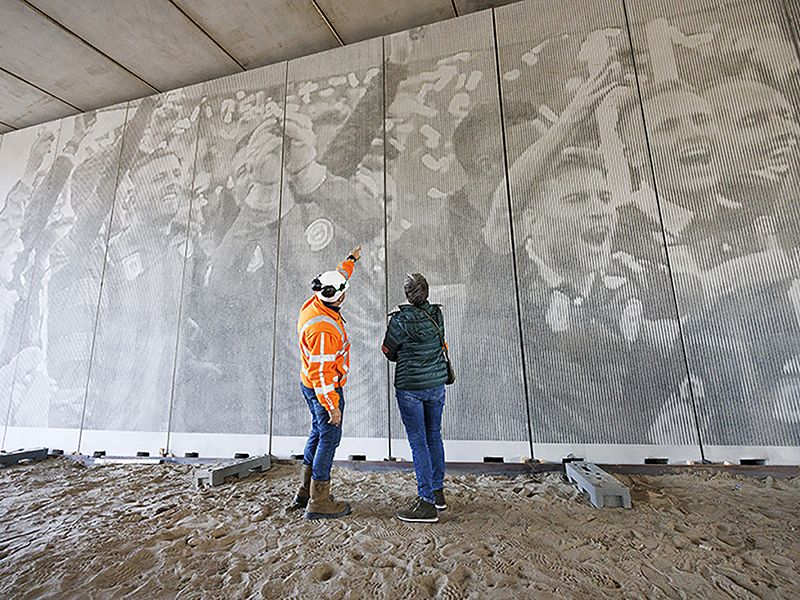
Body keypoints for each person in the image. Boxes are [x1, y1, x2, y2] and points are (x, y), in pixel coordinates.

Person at [290, 245, 362, 520]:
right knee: (329, 436)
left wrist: (351, 260)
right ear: (338, 296)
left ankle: (305, 490)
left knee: (317, 433)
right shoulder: (323, 328)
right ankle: (319, 499)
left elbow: (340, 275)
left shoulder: (316, 302)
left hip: (309, 383)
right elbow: (321, 374)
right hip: (324, 387)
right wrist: (332, 405)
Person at [382, 273, 449, 523]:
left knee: (418, 442)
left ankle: (426, 503)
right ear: (427, 292)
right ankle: (437, 492)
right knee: (434, 436)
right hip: (436, 385)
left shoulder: (399, 320)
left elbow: (388, 351)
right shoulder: (437, 315)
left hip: (410, 387)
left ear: (407, 294)